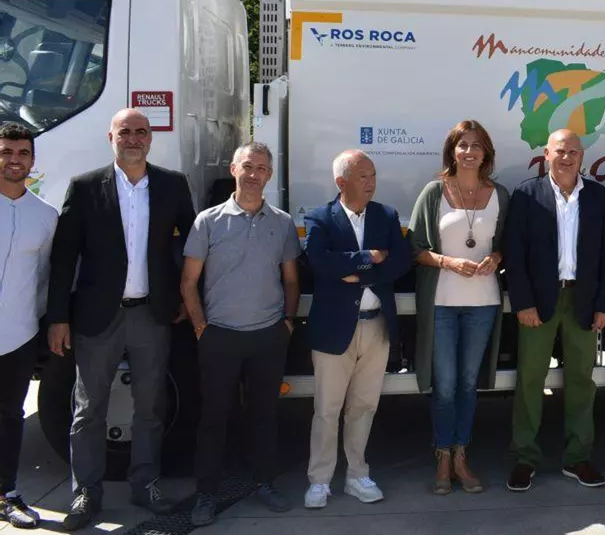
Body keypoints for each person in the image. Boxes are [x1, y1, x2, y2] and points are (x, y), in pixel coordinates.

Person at [47, 109, 196, 530]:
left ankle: (145, 483)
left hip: (152, 313)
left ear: (151, 138)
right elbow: (64, 256)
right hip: (97, 316)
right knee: (88, 408)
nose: (133, 138)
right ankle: (86, 491)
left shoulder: (172, 184)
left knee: (151, 406)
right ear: (110, 137)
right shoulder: (84, 187)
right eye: (125, 131)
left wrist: (187, 297)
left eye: (141, 131)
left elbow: (190, 245)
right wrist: (58, 316)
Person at [181, 142, 301, 527]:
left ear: (270, 175)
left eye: (261, 168)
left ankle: (265, 482)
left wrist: (287, 322)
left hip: (268, 335)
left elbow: (291, 280)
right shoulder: (208, 221)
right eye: (247, 166)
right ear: (233, 169)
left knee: (265, 415)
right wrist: (201, 329)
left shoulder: (282, 223)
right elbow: (188, 282)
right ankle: (206, 493)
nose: (253, 174)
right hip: (220, 337)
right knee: (214, 417)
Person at [503, 129, 605, 492]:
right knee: (530, 380)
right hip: (539, 301)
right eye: (560, 151)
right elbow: (514, 254)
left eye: (573, 152)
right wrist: (522, 302)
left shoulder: (599, 197)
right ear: (546, 154)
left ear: (582, 157)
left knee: (582, 380)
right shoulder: (527, 194)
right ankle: (525, 458)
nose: (566, 157)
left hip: (582, 301)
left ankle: (577, 457)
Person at [302, 150, 411, 509]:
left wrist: (355, 273)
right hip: (333, 328)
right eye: (363, 176)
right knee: (327, 408)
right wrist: (368, 258)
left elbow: (400, 262)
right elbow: (319, 262)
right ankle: (319, 480)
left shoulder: (386, 216)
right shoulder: (319, 218)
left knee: (364, 406)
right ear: (341, 182)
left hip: (376, 325)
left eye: (373, 175)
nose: (371, 182)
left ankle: (356, 474)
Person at [409, 121, 509, 494]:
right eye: (463, 145)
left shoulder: (499, 194)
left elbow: (508, 244)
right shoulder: (434, 192)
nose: (469, 152)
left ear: (486, 153)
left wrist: (496, 257)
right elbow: (415, 248)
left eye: (476, 145)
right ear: (452, 150)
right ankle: (442, 456)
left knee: (468, 384)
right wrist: (448, 262)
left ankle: (461, 455)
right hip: (442, 304)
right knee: (446, 385)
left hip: (483, 304)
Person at [0, 124, 57, 529]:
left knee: (9, 415)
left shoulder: (45, 216)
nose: (14, 160)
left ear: (33, 160)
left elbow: (44, 278)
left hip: (18, 334)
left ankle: (7, 493)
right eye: (6, 152)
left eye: (22, 153)